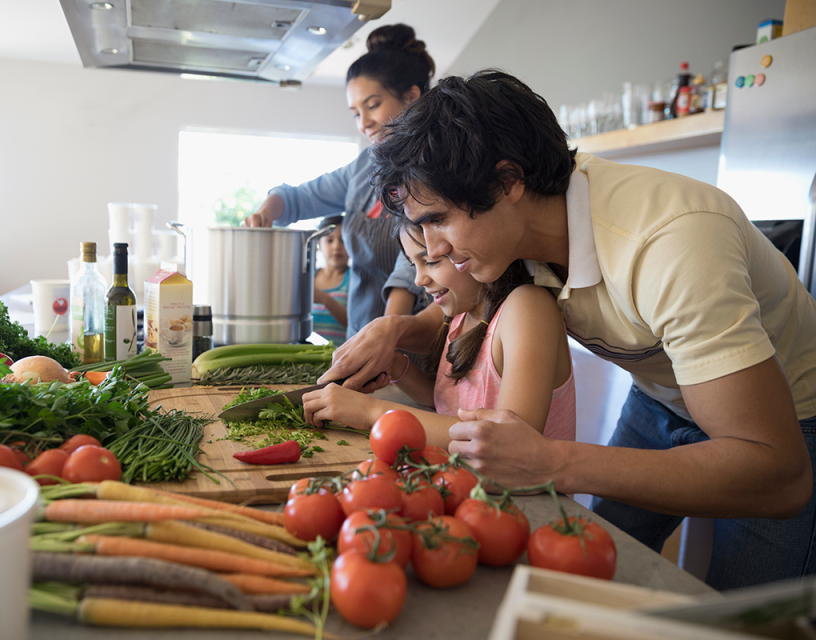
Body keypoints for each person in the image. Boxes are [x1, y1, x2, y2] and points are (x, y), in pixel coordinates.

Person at [321, 69, 816, 591]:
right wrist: (397, 329)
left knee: (748, 608)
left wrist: (555, 461)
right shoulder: (520, 230)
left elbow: (781, 476)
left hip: (787, 419)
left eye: (438, 219)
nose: (434, 249)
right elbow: (463, 309)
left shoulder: (669, 244)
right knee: (605, 563)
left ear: (508, 181)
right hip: (659, 395)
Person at [303, 220, 576, 447]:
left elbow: (509, 443)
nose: (419, 280)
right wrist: (397, 365)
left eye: (431, 262)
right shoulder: (460, 317)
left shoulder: (527, 308)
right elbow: (445, 404)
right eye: (415, 265)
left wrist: (372, 412)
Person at [243, 24, 434, 338]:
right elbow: (295, 198)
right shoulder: (364, 168)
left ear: (412, 96)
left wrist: (386, 334)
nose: (364, 123)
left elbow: (412, 260)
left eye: (372, 106)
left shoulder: (434, 168)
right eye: (356, 113)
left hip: (409, 342)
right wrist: (266, 212)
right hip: (361, 337)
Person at [312, 215, 350, 345]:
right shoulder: (309, 277)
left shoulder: (354, 279)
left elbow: (353, 322)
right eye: (329, 240)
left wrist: (325, 299)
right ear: (319, 244)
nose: (336, 246)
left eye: (343, 240)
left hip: (340, 357)